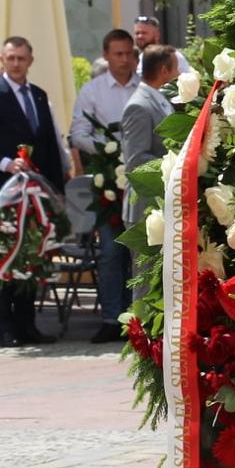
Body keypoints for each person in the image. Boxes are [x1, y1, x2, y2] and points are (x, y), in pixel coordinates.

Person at [0, 36, 67, 347]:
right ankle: (6, 327)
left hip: (37, 193)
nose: (15, 63)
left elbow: (49, 145)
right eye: (10, 58)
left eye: (21, 58)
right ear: (2, 59)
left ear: (30, 60)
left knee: (32, 260)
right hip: (6, 193)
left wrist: (56, 191)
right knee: (6, 259)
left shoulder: (38, 95)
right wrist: (5, 163)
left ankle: (27, 325)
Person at [68, 29, 142, 343]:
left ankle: (142, 316)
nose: (124, 59)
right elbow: (78, 132)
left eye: (129, 53)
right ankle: (113, 317)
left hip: (141, 175)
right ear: (107, 55)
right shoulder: (93, 90)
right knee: (111, 250)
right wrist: (107, 148)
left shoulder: (147, 87)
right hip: (108, 178)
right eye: (118, 54)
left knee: (141, 249)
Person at [118, 44, 177, 304]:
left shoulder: (158, 99)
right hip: (144, 208)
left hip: (161, 205)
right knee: (145, 282)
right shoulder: (139, 106)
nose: (178, 75)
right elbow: (135, 161)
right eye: (176, 69)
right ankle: (142, 340)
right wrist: (175, 163)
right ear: (164, 70)